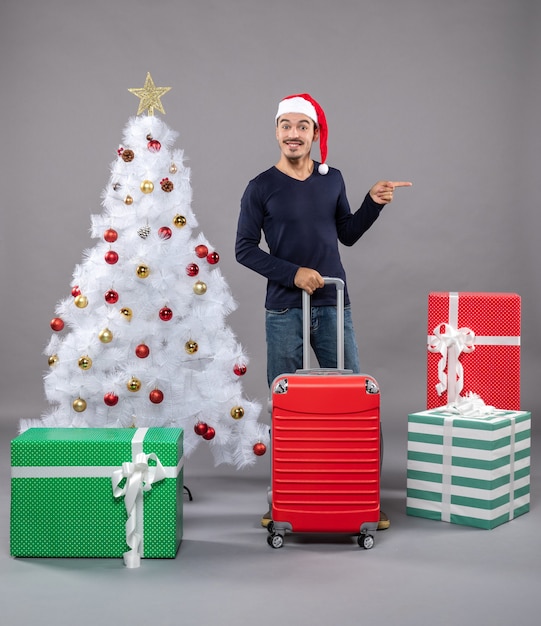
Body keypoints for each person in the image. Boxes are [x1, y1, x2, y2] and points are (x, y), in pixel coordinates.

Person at [235, 93, 411, 531]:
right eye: (285, 125)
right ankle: (286, 498)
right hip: (284, 311)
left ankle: (361, 495)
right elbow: (243, 249)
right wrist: (292, 274)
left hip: (334, 305)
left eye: (302, 126)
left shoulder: (333, 180)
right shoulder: (260, 186)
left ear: (315, 133)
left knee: (353, 402)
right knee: (287, 406)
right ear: (276, 131)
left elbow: (346, 234)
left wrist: (373, 202)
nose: (293, 134)